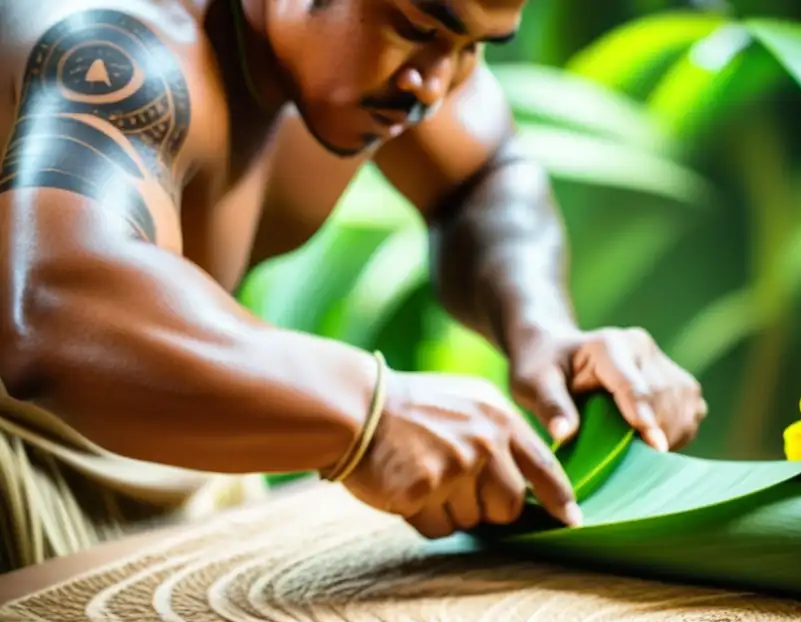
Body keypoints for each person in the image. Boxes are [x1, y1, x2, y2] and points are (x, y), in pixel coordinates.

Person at [0, 0, 707, 571]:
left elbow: (483, 178)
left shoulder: (391, 69)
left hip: (192, 467)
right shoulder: (121, 43)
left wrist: (542, 330)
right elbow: (55, 311)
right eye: (423, 29)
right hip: (20, 478)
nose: (436, 86)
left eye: (474, 47)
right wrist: (372, 411)